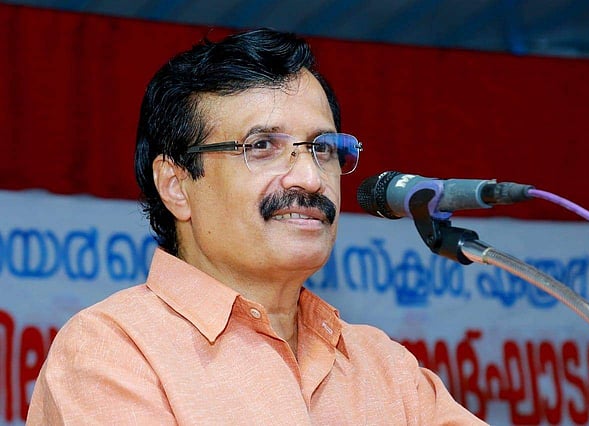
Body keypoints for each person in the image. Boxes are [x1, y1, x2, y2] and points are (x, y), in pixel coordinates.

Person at [26, 28, 487, 425]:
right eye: (262, 145)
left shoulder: (385, 367)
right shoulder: (114, 349)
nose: (310, 178)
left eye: (323, 148)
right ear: (176, 185)